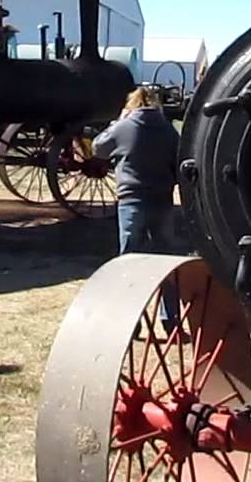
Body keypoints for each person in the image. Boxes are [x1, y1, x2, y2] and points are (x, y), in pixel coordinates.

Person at [92, 87, 184, 334]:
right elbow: (179, 162)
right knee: (165, 261)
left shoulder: (124, 127)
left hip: (132, 201)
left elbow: (98, 148)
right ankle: (170, 319)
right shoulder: (167, 130)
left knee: (129, 262)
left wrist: (117, 122)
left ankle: (130, 321)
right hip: (162, 200)